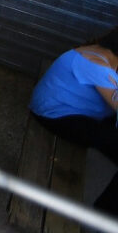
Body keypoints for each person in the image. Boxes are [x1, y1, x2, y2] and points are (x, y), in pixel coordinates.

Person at [30, 26, 118, 216]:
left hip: (78, 111)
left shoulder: (104, 55)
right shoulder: (96, 65)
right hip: (56, 115)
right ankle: (104, 216)